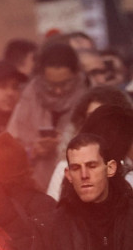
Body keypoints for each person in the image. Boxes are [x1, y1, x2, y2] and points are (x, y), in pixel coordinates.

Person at [7, 41, 87, 190]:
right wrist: (33, 150)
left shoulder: (87, 99)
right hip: (33, 186)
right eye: (51, 84)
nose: (58, 91)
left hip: (76, 185)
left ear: (76, 75)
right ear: (41, 76)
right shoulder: (28, 98)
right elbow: (9, 149)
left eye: (65, 84)